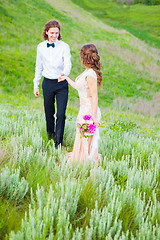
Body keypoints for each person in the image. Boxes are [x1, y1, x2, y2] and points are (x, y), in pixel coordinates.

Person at [58, 44, 102, 163]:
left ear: (84, 58)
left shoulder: (91, 74)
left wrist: (93, 117)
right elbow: (79, 88)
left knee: (86, 138)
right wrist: (66, 79)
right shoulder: (87, 72)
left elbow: (94, 96)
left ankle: (85, 161)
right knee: (81, 137)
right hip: (83, 109)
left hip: (89, 111)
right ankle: (81, 159)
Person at [33, 20, 72, 148]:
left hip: (61, 83)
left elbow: (68, 63)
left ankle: (58, 143)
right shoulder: (40, 47)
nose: (54, 35)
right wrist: (36, 84)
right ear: (46, 32)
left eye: (56, 33)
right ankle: (50, 136)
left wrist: (64, 74)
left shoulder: (64, 46)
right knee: (49, 112)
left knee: (61, 113)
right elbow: (38, 66)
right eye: (52, 33)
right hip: (47, 83)